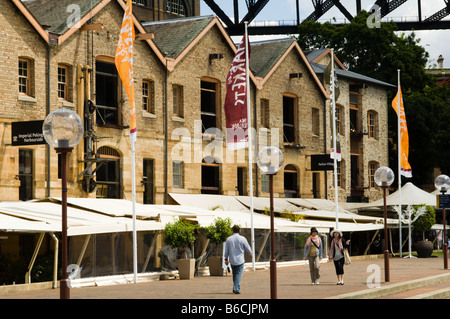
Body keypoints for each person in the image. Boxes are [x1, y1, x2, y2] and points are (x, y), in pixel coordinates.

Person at [224, 225, 253, 294]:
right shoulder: (242, 238)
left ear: (232, 231)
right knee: (238, 275)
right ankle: (236, 288)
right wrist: (250, 253)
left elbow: (226, 250)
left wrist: (226, 259)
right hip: (240, 260)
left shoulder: (229, 239)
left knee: (235, 275)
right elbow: (247, 247)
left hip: (232, 260)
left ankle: (237, 288)